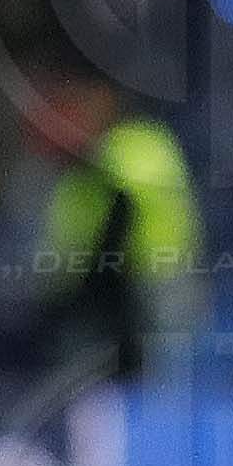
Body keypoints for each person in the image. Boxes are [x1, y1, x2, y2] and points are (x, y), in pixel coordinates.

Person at [35, 68, 202, 382]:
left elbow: (122, 213)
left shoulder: (130, 146)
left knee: (160, 373)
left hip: (151, 280)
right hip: (130, 286)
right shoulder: (83, 165)